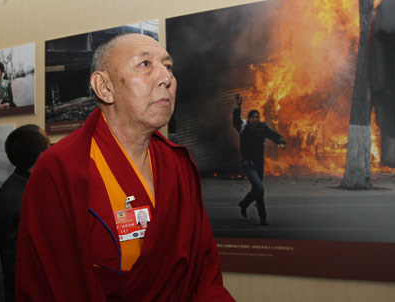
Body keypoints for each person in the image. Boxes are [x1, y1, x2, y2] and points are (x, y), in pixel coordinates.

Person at [16, 33, 234, 301]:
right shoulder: (61, 170)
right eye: (145, 64)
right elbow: (49, 285)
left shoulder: (177, 164)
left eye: (168, 66)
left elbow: (204, 271)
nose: (166, 78)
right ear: (104, 87)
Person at [0, 124, 50, 302]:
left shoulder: (14, 185)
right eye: (49, 146)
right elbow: (15, 267)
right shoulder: (25, 199)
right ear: (42, 157)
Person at [233, 94, 286, 226]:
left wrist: (281, 142)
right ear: (249, 118)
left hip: (259, 163)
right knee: (259, 188)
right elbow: (235, 120)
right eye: (253, 117)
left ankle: (256, 213)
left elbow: (274, 135)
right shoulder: (243, 127)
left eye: (257, 117)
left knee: (258, 190)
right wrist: (238, 107)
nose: (256, 119)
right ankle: (254, 210)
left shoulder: (263, 128)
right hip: (247, 164)